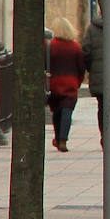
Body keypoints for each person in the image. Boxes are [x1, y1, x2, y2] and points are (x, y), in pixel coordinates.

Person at [46, 16, 86, 152]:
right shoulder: (76, 47)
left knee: (56, 112)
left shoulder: (49, 45)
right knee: (67, 111)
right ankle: (63, 139)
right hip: (70, 83)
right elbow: (81, 67)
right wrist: (78, 81)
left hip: (53, 83)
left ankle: (57, 137)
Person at [80, 14, 105, 145]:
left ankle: (104, 136)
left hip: (99, 75)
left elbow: (86, 51)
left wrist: (91, 68)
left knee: (102, 107)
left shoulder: (92, 28)